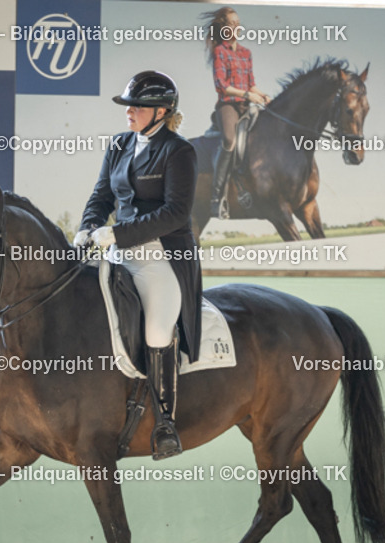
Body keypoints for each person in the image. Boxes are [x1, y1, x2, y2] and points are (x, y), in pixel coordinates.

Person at [75, 71, 202, 460]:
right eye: (128, 105)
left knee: (157, 328)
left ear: (162, 111)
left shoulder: (178, 152)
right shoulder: (118, 145)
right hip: (116, 250)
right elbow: (101, 195)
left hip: (160, 255)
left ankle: (165, 422)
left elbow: (176, 213)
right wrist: (88, 227)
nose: (129, 112)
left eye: (138, 106)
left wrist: (118, 234)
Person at [203, 7, 271, 220]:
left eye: (238, 23)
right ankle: (216, 197)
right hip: (228, 106)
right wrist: (247, 95)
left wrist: (264, 96)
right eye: (232, 24)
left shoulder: (246, 53)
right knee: (229, 141)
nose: (236, 27)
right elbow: (222, 86)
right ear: (223, 28)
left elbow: (252, 84)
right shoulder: (219, 52)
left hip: (246, 104)